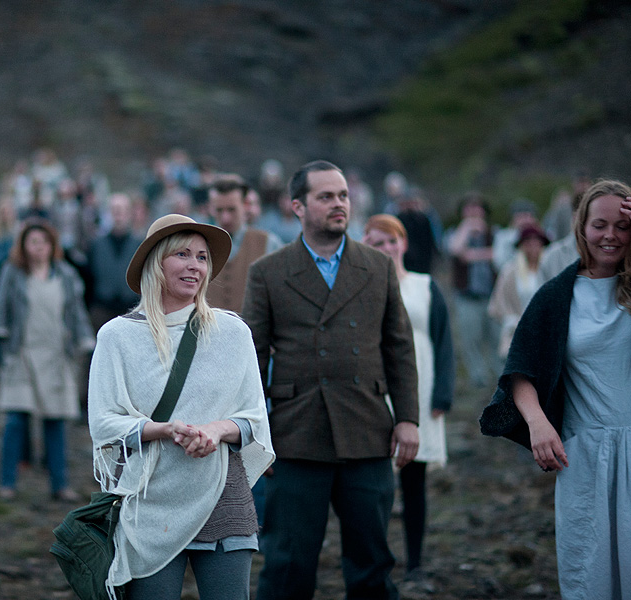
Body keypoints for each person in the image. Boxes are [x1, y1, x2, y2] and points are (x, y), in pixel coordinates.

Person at [244, 160, 419, 600]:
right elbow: (252, 359)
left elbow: (398, 347)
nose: (339, 204)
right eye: (326, 197)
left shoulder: (377, 266)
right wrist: (255, 435)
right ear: (297, 206)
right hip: (296, 435)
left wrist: (408, 419)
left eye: (343, 195)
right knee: (287, 565)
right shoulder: (268, 271)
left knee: (372, 563)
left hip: (367, 429)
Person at [88, 214, 274, 600]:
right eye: (183, 254)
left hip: (222, 493)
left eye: (202, 257)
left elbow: (255, 418)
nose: (195, 266)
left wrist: (216, 431)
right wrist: (162, 429)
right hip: (150, 500)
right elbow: (103, 422)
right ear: (156, 263)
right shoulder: (117, 336)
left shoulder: (233, 332)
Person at [480, 180, 631, 599]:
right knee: (590, 573)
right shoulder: (557, 296)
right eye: (599, 225)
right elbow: (521, 370)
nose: (610, 235)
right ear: (581, 228)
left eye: (622, 226)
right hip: (584, 454)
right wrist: (538, 422)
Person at [362, 214, 455, 579]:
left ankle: (414, 562)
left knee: (415, 481)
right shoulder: (363, 287)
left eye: (392, 240)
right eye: (377, 243)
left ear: (403, 242)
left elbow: (443, 341)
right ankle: (377, 559)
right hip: (378, 392)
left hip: (422, 388)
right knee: (377, 484)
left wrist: (443, 393)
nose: (387, 248)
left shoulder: (425, 286)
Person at [0, 218, 95, 502]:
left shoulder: (66, 275)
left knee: (55, 422)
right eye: (33, 242)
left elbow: (76, 312)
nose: (38, 247)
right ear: (23, 246)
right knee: (15, 421)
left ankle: (60, 484)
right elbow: (0, 309)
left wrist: (85, 341)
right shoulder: (12, 273)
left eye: (44, 242)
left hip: (56, 357)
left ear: (52, 245)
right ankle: (7, 483)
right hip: (21, 354)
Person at [205, 174, 283, 313]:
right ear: (210, 208)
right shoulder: (199, 244)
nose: (225, 218)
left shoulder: (268, 243)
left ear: (246, 205)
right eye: (219, 210)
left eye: (231, 209)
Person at [447, 192, 500, 387]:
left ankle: (500, 377)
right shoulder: (455, 233)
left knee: (497, 338)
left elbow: (500, 254)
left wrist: (471, 255)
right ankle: (478, 379)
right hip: (467, 297)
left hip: (493, 296)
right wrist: (466, 229)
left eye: (477, 208)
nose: (473, 212)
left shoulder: (495, 233)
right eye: (468, 208)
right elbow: (455, 249)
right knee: (470, 339)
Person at [487, 223, 550, 358]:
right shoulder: (510, 272)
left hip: (546, 332)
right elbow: (497, 305)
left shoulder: (550, 270)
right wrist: (513, 321)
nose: (533, 247)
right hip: (518, 331)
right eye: (528, 242)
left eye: (536, 242)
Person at [86, 193, 144, 330]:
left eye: (122, 210)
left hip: (132, 309)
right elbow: (89, 277)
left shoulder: (140, 244)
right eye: (114, 210)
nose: (118, 214)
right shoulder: (96, 244)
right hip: (102, 309)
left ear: (129, 213)